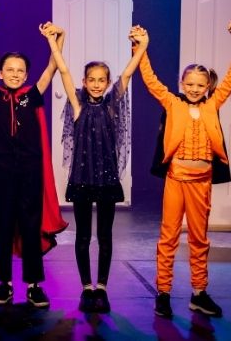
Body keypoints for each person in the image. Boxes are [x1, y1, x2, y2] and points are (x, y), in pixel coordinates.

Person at [133, 24, 231, 318]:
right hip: (176, 180)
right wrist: (140, 47)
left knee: (199, 238)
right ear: (182, 84)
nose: (195, 89)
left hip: (202, 182)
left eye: (201, 84)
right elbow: (150, 80)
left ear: (208, 86)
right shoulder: (172, 103)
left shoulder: (214, 103)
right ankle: (163, 291)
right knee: (168, 236)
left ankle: (199, 292)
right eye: (190, 84)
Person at [0, 2, 67, 308]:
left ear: (26, 74)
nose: (14, 74)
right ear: (1, 73)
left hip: (30, 174)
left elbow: (53, 64)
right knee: (3, 227)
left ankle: (35, 284)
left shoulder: (32, 95)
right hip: (0, 173)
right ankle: (5, 284)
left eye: (20, 70)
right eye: (9, 70)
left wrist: (58, 37)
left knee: (29, 227)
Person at [48, 25, 146, 313]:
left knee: (104, 235)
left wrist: (143, 45)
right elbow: (63, 72)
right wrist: (54, 43)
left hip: (106, 180)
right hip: (81, 179)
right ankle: (85, 287)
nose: (96, 84)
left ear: (106, 83)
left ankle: (101, 287)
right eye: (91, 79)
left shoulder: (113, 104)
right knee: (82, 236)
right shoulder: (77, 103)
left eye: (101, 80)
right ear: (84, 81)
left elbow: (127, 74)